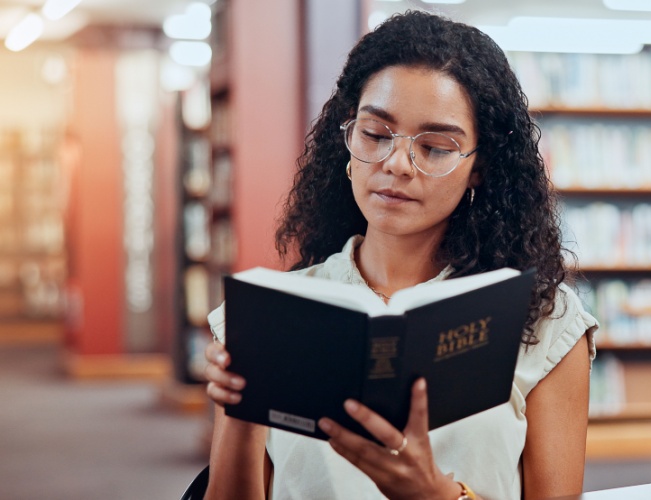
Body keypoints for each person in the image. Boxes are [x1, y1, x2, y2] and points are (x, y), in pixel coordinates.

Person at [202, 10, 597, 500]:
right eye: (375, 134)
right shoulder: (273, 314)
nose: (395, 164)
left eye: (434, 147)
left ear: (479, 169)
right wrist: (245, 414)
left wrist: (436, 496)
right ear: (346, 142)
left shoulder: (543, 321)